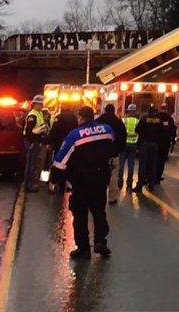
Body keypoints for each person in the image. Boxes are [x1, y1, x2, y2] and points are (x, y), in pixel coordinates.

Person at [53, 106, 114, 259]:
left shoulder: (74, 135)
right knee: (99, 211)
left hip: (81, 181)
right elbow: (113, 145)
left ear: (80, 117)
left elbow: (60, 161)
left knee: (80, 215)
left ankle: (83, 249)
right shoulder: (106, 130)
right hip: (101, 179)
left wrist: (55, 179)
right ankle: (100, 241)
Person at [96, 104, 127, 204]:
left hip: (99, 154)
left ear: (105, 110)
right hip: (113, 153)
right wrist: (119, 150)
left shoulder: (98, 121)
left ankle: (97, 196)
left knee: (98, 174)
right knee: (114, 175)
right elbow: (123, 137)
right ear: (114, 111)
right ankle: (112, 198)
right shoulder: (118, 122)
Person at [47, 103, 78, 194]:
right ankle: (65, 185)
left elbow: (54, 131)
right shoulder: (74, 118)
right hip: (71, 145)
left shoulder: (59, 117)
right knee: (69, 165)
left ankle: (53, 184)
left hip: (60, 145)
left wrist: (49, 142)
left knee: (57, 164)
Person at [133, 106, 164, 192]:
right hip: (154, 144)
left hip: (145, 144)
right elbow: (162, 131)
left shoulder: (144, 119)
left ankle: (140, 185)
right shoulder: (159, 120)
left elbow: (137, 130)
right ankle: (151, 186)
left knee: (143, 165)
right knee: (153, 165)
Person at [22, 95, 48, 192]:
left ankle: (30, 184)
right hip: (31, 141)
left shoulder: (39, 113)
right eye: (40, 104)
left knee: (33, 163)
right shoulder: (33, 115)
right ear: (35, 104)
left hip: (35, 141)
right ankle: (29, 185)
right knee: (31, 164)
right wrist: (32, 142)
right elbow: (29, 131)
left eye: (42, 104)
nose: (42, 106)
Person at [118, 104, 140, 190]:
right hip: (133, 145)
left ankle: (120, 181)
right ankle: (129, 182)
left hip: (124, 145)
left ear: (128, 111)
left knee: (121, 165)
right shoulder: (137, 121)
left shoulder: (123, 121)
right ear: (135, 112)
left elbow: (120, 133)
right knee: (131, 165)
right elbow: (140, 133)